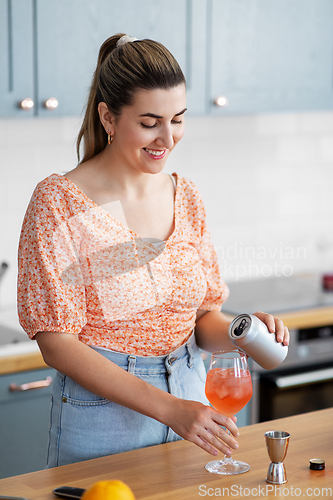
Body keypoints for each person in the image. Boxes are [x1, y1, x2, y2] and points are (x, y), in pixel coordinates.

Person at [17, 34, 289, 468]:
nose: (168, 137)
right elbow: (57, 343)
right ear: (108, 116)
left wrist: (244, 329)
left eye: (178, 119)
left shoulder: (185, 195)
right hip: (103, 418)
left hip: (192, 397)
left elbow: (202, 318)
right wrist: (169, 409)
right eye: (150, 122)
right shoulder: (60, 202)